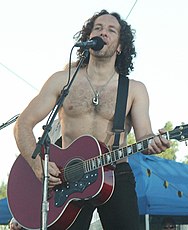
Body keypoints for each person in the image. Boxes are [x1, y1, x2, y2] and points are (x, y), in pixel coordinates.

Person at [13, 9, 170, 230]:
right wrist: (38, 166)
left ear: (120, 46)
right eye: (98, 28)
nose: (103, 32)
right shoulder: (63, 80)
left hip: (114, 174)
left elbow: (145, 136)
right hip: (68, 177)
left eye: (111, 30)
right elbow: (23, 124)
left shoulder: (135, 89)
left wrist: (155, 143)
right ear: (88, 39)